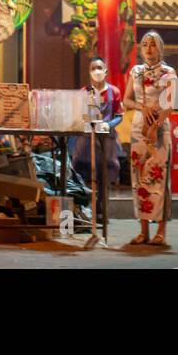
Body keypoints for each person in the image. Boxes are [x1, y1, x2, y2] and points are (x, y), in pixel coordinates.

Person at [123, 30, 177, 247]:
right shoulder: (135, 72)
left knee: (159, 179)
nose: (148, 48)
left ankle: (161, 231)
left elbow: (170, 104)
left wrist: (155, 126)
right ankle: (143, 230)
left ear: (160, 48)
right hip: (137, 129)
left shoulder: (168, 72)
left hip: (159, 129)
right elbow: (127, 100)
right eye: (145, 44)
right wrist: (141, 107)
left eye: (153, 44)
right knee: (138, 179)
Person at [70, 55, 123, 230]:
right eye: (93, 68)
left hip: (106, 140)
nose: (97, 71)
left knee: (104, 176)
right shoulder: (83, 92)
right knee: (82, 173)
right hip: (86, 140)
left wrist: (109, 124)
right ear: (89, 71)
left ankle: (102, 213)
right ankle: (84, 210)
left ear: (106, 70)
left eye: (100, 68)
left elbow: (119, 115)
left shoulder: (114, 92)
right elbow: (77, 114)